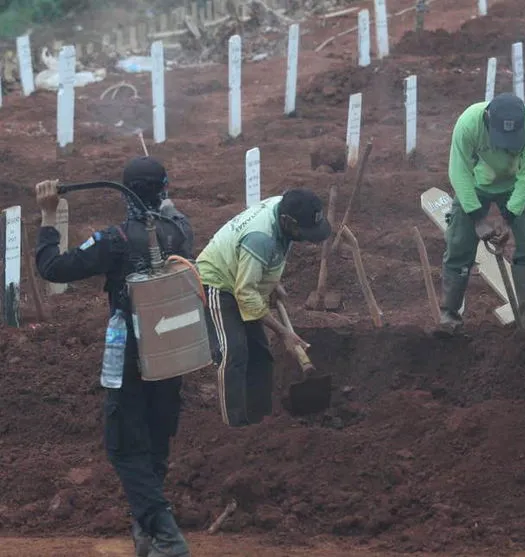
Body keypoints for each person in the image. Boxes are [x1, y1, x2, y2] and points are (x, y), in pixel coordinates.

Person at [35, 157, 194, 557]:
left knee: (124, 446)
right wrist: (163, 199)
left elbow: (51, 267)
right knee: (156, 444)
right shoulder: (181, 232)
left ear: (126, 192)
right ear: (162, 189)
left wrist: (49, 215)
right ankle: (149, 535)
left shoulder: (115, 240)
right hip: (171, 355)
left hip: (127, 361)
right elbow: (172, 215)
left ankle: (166, 534)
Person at [196, 189, 331, 428]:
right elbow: (245, 292)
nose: (307, 238)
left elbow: (267, 255)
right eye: (305, 232)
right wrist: (284, 333)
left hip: (243, 274)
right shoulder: (261, 237)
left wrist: (271, 281)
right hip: (217, 282)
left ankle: (261, 423)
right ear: (287, 221)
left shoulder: (283, 207)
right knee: (233, 352)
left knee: (260, 354)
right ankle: (235, 427)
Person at [439, 92, 525, 334]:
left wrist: (509, 218)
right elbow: (459, 173)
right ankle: (449, 319)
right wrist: (477, 218)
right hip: (477, 185)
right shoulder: (469, 124)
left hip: (518, 185)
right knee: (458, 245)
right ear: (487, 118)